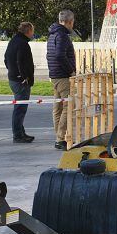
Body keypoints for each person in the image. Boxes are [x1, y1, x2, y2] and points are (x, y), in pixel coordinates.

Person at [46, 9, 76, 150]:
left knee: (58, 107)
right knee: (68, 106)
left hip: (54, 75)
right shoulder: (62, 36)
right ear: (69, 22)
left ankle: (59, 137)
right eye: (72, 22)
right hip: (63, 76)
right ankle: (60, 138)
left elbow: (50, 55)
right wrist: (71, 70)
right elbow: (59, 55)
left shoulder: (52, 34)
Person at [4, 22, 36, 143]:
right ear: (28, 31)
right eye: (32, 31)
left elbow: (6, 59)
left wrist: (12, 72)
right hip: (20, 81)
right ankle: (18, 135)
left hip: (13, 78)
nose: (33, 33)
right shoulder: (23, 44)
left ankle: (20, 132)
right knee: (20, 108)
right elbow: (21, 62)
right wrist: (24, 77)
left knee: (19, 107)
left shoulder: (13, 41)